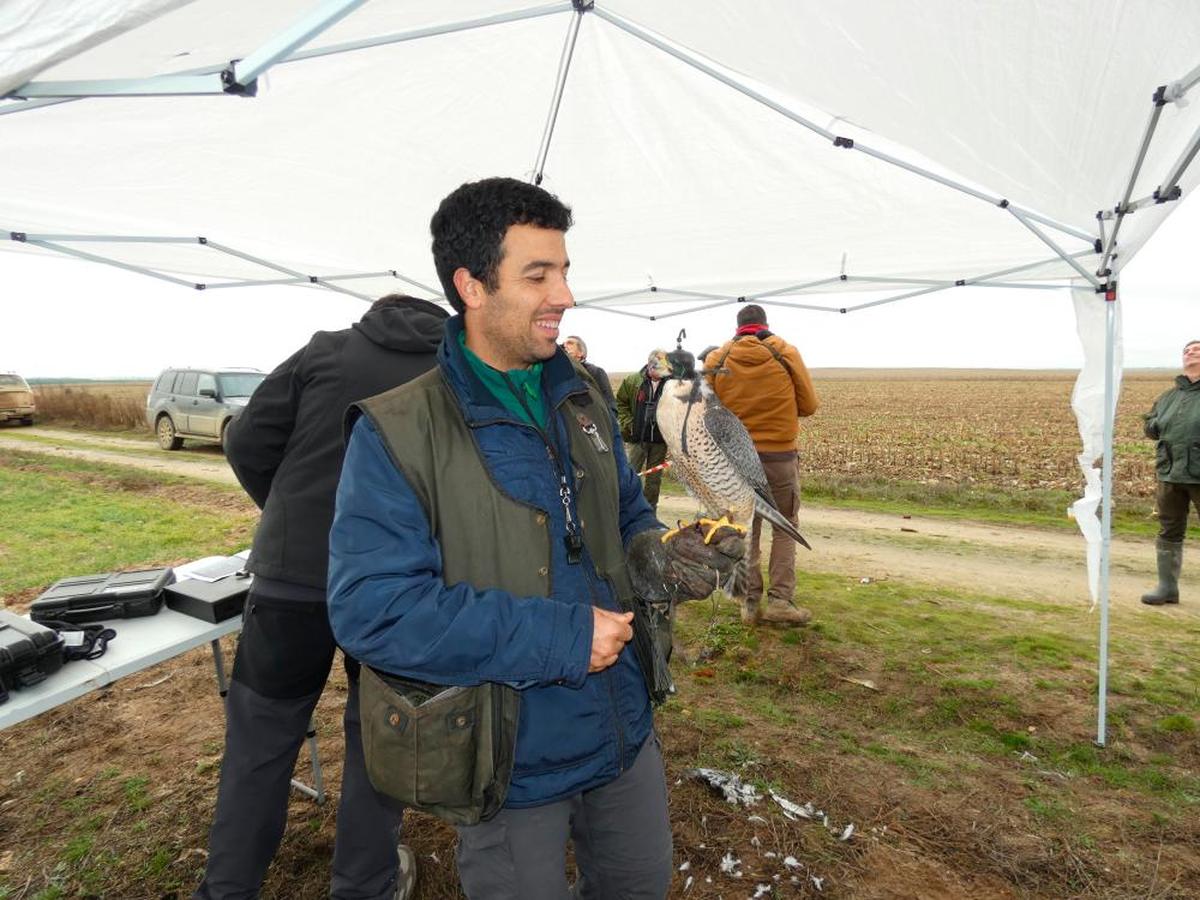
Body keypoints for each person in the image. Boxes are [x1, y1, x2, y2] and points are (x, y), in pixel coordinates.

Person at [326, 177, 743, 900]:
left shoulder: (581, 395)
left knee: (642, 886)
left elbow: (623, 517)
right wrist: (556, 639)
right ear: (472, 286)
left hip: (622, 727)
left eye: (566, 270)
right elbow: (373, 609)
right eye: (538, 274)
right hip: (506, 755)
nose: (565, 294)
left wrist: (658, 559)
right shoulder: (397, 429)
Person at [194, 293, 448, 900]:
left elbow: (246, 443)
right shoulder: (453, 368)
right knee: (378, 740)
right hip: (397, 587)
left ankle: (226, 889)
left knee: (260, 743)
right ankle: (365, 884)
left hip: (292, 582)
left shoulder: (325, 350)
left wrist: (286, 517)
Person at [704, 304, 819, 626]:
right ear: (765, 324)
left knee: (745, 529)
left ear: (737, 327)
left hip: (736, 461)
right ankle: (781, 601)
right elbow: (809, 405)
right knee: (785, 527)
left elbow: (705, 412)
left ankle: (749, 603)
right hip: (780, 457)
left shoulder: (718, 359)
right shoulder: (785, 352)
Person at [1141, 339, 1200, 606]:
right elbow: (1151, 428)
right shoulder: (1168, 396)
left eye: (1198, 349)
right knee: (1169, 530)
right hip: (1170, 474)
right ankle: (1167, 588)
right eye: (1187, 350)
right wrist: (1154, 423)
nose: (1192, 352)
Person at [616, 349, 672, 514]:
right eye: (659, 371)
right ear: (649, 366)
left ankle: (649, 515)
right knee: (631, 477)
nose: (662, 375)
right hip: (637, 439)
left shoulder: (671, 384)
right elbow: (621, 403)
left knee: (654, 482)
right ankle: (627, 512)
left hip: (660, 441)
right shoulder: (633, 381)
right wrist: (629, 425)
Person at [562, 334, 617, 413]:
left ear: (581, 353)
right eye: (563, 344)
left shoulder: (596, 372)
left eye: (570, 343)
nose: (564, 346)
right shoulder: (560, 374)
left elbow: (610, 403)